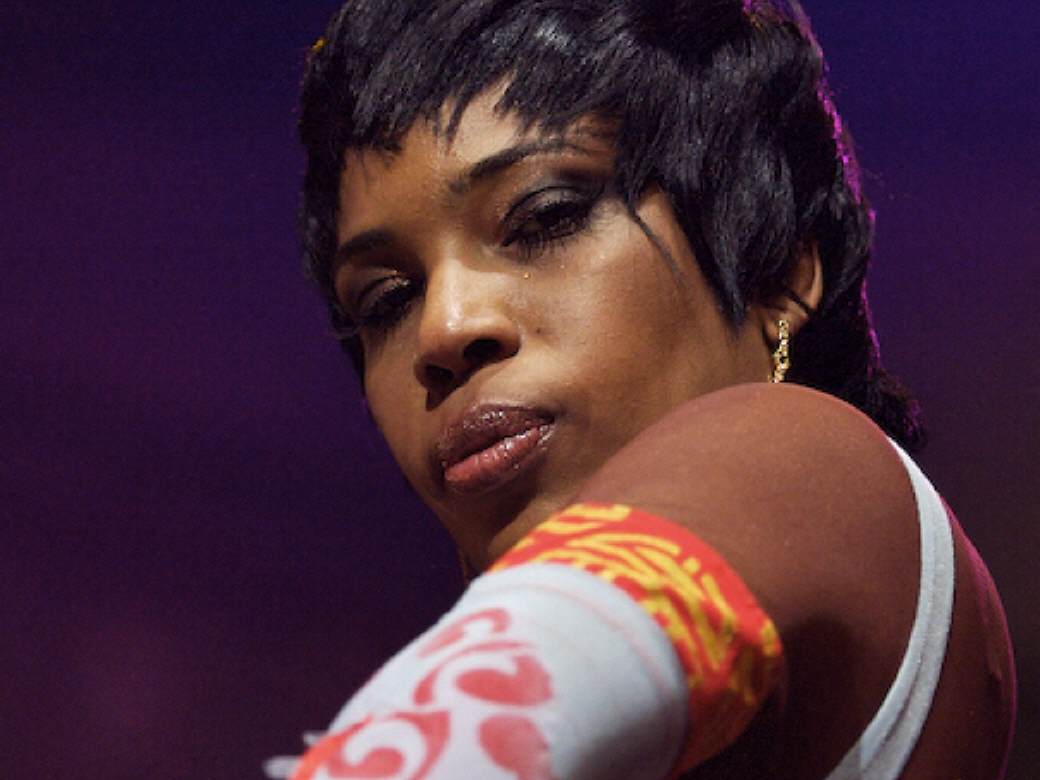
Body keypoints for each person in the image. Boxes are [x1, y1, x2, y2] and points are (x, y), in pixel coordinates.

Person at [274, 0, 1016, 777]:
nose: (444, 328)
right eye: (388, 299)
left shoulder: (805, 460)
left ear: (775, 270)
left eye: (546, 219)